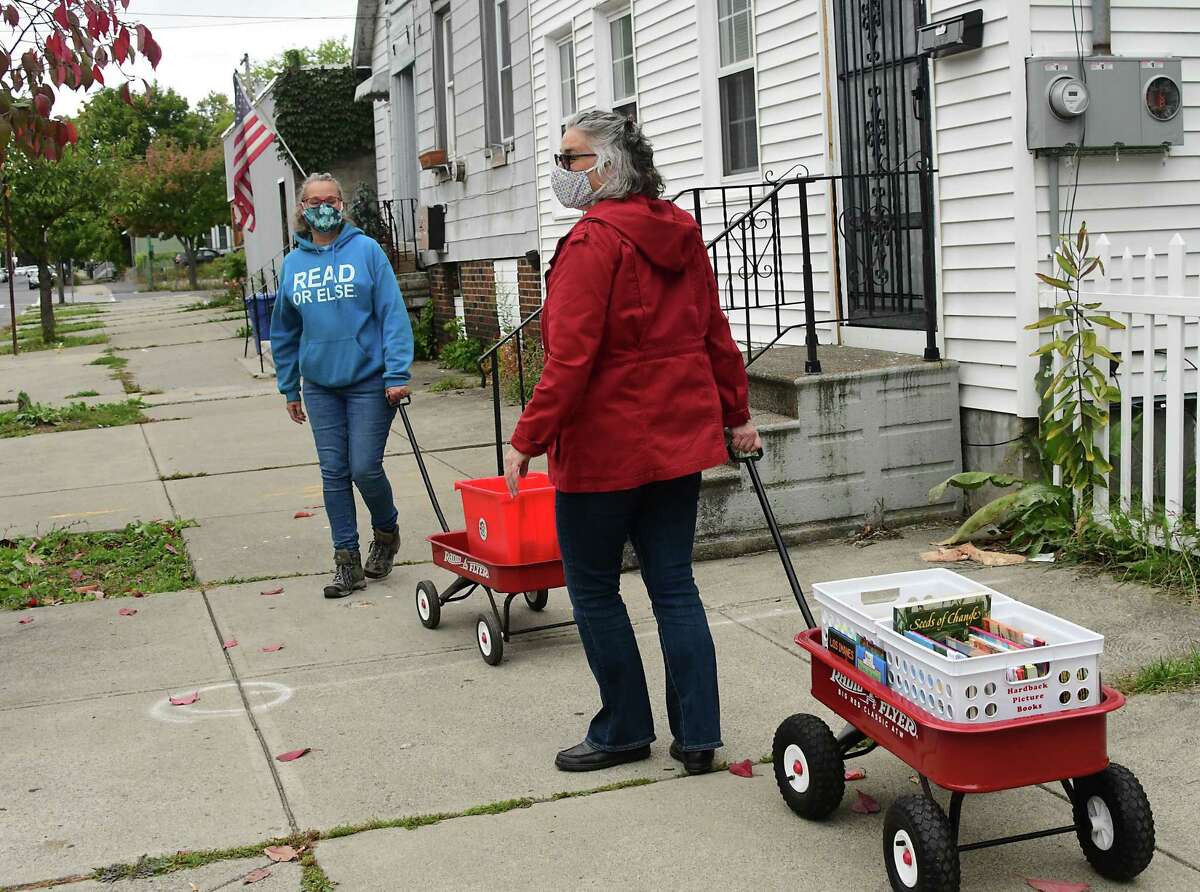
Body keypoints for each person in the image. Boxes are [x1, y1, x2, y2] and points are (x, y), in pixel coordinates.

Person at [504, 110, 761, 776]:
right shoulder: (678, 231)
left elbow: (569, 360)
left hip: (605, 451)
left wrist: (527, 436)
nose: (562, 171)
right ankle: (698, 733)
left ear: (612, 165)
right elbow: (716, 334)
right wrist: (736, 414)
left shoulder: (594, 243)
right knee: (674, 586)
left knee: (594, 591)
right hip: (675, 443)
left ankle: (623, 730)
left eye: (573, 158)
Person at [271, 173, 414, 598]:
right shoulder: (293, 264)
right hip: (319, 384)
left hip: (370, 381)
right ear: (302, 208)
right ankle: (346, 562)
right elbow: (284, 330)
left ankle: (386, 531)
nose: (323, 207)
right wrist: (288, 386)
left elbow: (391, 314)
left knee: (363, 467)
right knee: (333, 473)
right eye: (315, 201)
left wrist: (397, 373)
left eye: (331, 199)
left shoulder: (367, 251)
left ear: (341, 205)